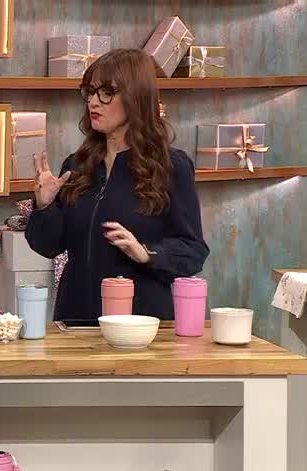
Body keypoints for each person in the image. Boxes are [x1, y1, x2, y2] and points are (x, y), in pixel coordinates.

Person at [25, 49, 210, 321]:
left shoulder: (171, 167)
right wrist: (44, 206)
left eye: (106, 92)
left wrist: (146, 253)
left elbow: (193, 251)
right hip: (76, 320)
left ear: (135, 97)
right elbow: (49, 246)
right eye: (90, 91)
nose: (93, 102)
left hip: (140, 324)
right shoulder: (76, 165)